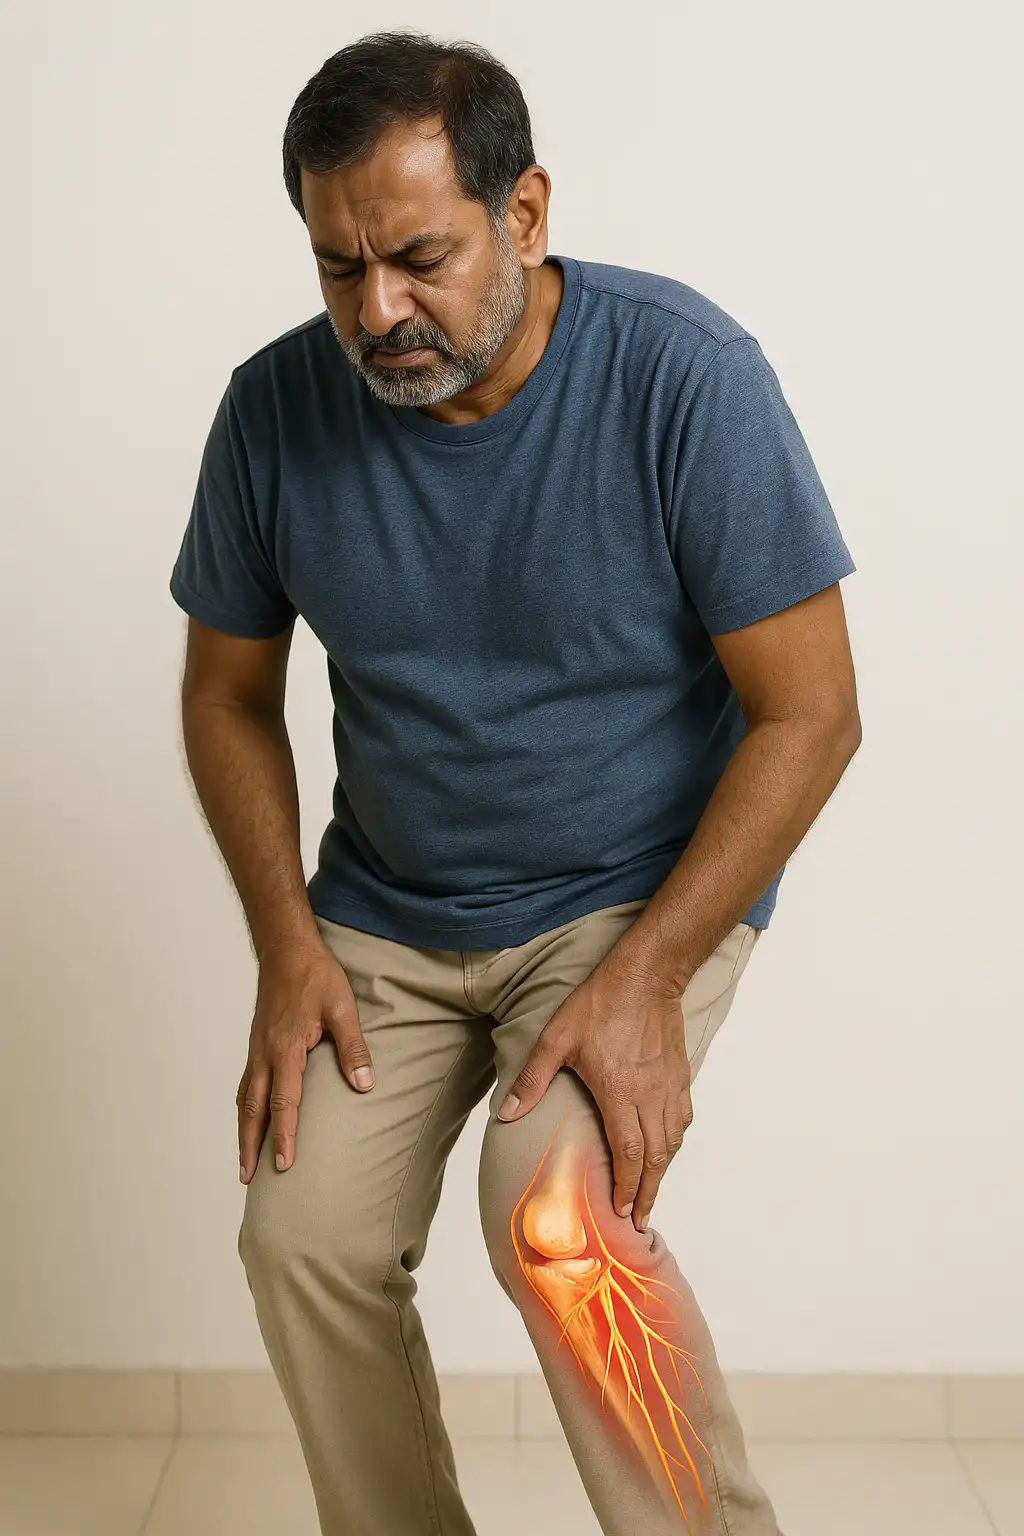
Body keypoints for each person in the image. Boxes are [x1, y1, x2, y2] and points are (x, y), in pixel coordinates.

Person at [169, 28, 859, 1536]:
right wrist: (289, 946)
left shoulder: (687, 378)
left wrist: (648, 980)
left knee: (559, 1226)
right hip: (387, 910)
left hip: (630, 899)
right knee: (300, 1239)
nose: (378, 309)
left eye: (416, 255)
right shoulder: (272, 413)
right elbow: (226, 696)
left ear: (526, 212)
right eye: (339, 268)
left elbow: (811, 715)